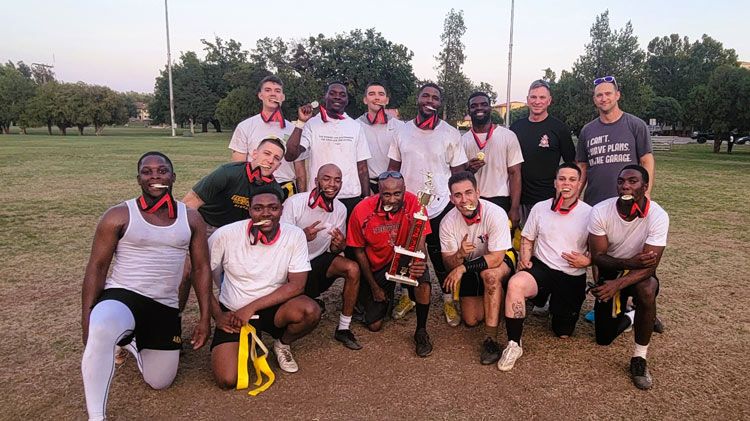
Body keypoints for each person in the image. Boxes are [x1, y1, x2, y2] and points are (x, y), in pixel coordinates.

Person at [81, 152, 211, 421]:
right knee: (103, 326)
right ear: (138, 178)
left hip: (164, 306)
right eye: (147, 172)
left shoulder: (191, 218)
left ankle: (131, 340)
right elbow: (97, 267)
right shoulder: (118, 214)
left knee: (160, 381)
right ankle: (96, 416)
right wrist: (87, 319)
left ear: (173, 177)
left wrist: (205, 317)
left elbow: (200, 269)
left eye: (162, 171)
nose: (155, 177)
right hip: (123, 296)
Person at [209, 184, 321, 384]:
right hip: (234, 313)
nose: (265, 213)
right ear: (249, 210)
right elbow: (200, 276)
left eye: (273, 207)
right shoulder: (224, 235)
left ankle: (282, 344)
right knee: (227, 380)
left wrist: (250, 308)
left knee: (310, 310)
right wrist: (217, 314)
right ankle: (245, 340)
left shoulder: (295, 234)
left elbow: (297, 286)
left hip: (272, 308)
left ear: (282, 209)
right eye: (258, 208)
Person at [497, 163, 592, 372]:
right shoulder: (540, 208)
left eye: (572, 180)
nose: (566, 184)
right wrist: (524, 259)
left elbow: (599, 250)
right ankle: (514, 344)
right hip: (543, 267)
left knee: (563, 332)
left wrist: (588, 261)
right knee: (515, 284)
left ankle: (552, 304)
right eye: (562, 179)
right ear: (555, 182)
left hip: (571, 273)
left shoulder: (590, 213)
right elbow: (528, 238)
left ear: (579, 185)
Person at [387, 83, 468, 327]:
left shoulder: (451, 133)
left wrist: (456, 203)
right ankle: (406, 297)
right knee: (406, 253)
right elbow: (393, 169)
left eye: (435, 97)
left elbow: (458, 173)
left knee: (439, 256)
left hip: (439, 205)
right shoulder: (401, 132)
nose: (429, 100)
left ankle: (446, 299)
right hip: (408, 206)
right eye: (425, 95)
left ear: (440, 103)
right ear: (418, 99)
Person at [588, 164, 669, 390]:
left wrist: (620, 283)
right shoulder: (601, 211)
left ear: (645, 186)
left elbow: (650, 267)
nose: (625, 185)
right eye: (621, 181)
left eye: (632, 181)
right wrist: (627, 264)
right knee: (603, 338)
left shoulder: (658, 216)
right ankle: (636, 316)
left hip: (636, 276)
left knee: (647, 288)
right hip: (611, 270)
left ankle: (639, 358)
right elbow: (598, 257)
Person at [347, 171, 433, 357]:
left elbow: (421, 242)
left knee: (423, 282)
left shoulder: (417, 203)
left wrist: (420, 261)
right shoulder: (362, 210)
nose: (392, 199)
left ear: (404, 190)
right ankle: (381, 294)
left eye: (397, 194)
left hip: (405, 258)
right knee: (374, 325)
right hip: (378, 265)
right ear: (378, 191)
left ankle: (421, 331)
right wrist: (374, 286)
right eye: (386, 194)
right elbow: (359, 252)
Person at [281, 164, 362, 350]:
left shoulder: (340, 209)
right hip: (291, 267)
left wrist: (339, 246)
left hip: (317, 261)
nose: (332, 184)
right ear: (316, 181)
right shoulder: (295, 203)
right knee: (300, 309)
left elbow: (334, 250)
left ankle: (343, 328)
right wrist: (301, 236)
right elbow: (280, 246)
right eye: (326, 179)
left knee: (352, 268)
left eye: (337, 180)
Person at [440, 171, 515, 365]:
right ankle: (496, 296)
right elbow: (449, 263)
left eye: (468, 192)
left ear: (478, 192)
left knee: (490, 276)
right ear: (451, 199)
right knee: (472, 320)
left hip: (499, 261)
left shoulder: (496, 213)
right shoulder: (447, 222)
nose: (465, 200)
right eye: (458, 195)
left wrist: (462, 268)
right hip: (470, 264)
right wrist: (459, 256)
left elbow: (497, 257)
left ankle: (491, 340)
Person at [356, 82, 413, 320]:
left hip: (392, 187)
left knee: (396, 237)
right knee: (368, 240)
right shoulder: (356, 125)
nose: (376, 97)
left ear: (387, 99)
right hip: (368, 186)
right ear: (364, 99)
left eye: (381, 93)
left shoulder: (399, 126)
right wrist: (366, 192)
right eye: (372, 94)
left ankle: (399, 289)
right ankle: (364, 291)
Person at [285, 81, 372, 217]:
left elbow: (362, 167)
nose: (337, 97)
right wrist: (301, 122)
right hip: (320, 194)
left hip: (350, 195)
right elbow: (290, 155)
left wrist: (366, 198)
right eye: (332, 93)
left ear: (347, 100)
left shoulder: (355, 126)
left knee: (346, 238)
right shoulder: (311, 124)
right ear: (325, 97)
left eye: (342, 95)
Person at [576, 75, 655, 206]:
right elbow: (582, 166)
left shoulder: (636, 125)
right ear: (594, 99)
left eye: (608, 94)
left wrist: (646, 192)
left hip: (628, 201)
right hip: (594, 204)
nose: (604, 98)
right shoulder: (587, 130)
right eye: (599, 95)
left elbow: (646, 160)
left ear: (617, 95)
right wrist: (575, 195)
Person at [182, 137, 285, 234]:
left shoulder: (275, 192)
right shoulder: (227, 173)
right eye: (267, 153)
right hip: (207, 225)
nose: (270, 161)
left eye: (276, 158)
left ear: (278, 166)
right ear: (254, 154)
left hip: (239, 232)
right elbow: (192, 201)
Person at [228, 75, 307, 199]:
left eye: (277, 91)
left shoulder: (294, 130)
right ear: (260, 95)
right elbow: (238, 166)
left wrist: (302, 199)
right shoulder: (245, 126)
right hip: (255, 187)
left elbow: (300, 170)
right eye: (268, 90)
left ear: (283, 97)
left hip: (286, 189)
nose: (273, 94)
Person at [510, 79, 576, 225]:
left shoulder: (559, 128)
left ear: (549, 100)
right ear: (527, 100)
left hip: (549, 201)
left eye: (542, 97)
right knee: (520, 244)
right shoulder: (516, 128)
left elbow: (572, 165)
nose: (537, 101)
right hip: (519, 201)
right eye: (533, 97)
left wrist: (566, 195)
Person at [461, 91, 523, 228]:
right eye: (474, 106)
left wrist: (514, 208)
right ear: (469, 110)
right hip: (473, 200)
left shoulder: (508, 136)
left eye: (484, 104)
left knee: (500, 246)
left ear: (490, 108)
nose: (479, 108)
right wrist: (469, 170)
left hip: (500, 199)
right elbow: (460, 177)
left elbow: (515, 174)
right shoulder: (463, 140)